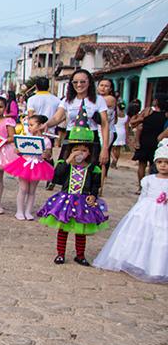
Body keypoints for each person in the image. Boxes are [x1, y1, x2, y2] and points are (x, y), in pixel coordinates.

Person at [36, 111, 109, 265]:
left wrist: (93, 195)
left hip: (83, 202)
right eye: (76, 150)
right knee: (63, 229)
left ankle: (80, 255)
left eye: (84, 150)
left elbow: (96, 184)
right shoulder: (65, 165)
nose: (80, 153)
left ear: (89, 152)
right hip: (66, 200)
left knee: (81, 230)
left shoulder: (92, 168)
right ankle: (60, 253)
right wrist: (68, 161)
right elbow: (57, 178)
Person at [93, 138, 167, 282]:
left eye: (166, 162)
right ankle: (136, 261)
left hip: (164, 213)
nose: (163, 165)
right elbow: (143, 197)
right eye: (160, 162)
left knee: (161, 240)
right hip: (146, 211)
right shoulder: (149, 180)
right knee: (141, 236)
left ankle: (157, 267)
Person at [45, 68, 110, 167]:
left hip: (91, 138)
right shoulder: (67, 100)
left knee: (91, 172)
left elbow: (105, 124)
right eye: (75, 82)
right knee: (65, 169)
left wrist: (105, 148)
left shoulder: (98, 100)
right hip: (72, 137)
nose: (79, 85)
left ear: (89, 82)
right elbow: (56, 118)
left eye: (82, 81)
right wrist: (45, 125)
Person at [4, 114, 54, 221]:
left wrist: (46, 154)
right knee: (23, 188)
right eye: (29, 125)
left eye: (32, 125)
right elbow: (18, 150)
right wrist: (18, 150)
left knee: (32, 190)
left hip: (38, 165)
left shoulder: (46, 140)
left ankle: (28, 211)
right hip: (25, 164)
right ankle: (19, 211)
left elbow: (49, 155)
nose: (29, 127)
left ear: (40, 125)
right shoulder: (25, 136)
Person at [129, 96, 167, 190]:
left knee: (142, 164)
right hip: (157, 141)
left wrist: (141, 119)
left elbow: (134, 123)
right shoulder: (165, 115)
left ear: (156, 101)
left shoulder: (148, 111)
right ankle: (151, 186)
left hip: (145, 139)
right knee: (154, 164)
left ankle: (141, 187)